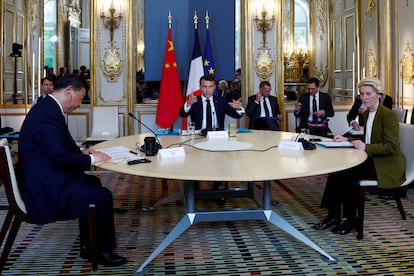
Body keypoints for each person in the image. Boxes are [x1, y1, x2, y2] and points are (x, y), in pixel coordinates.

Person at [17, 76, 127, 266]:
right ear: (69, 91)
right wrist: (92, 158)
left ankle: (89, 244)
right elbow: (59, 157)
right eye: (81, 98)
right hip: (44, 190)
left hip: (45, 177)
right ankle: (103, 251)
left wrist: (82, 152)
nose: (79, 104)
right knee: (103, 196)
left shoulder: (47, 109)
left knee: (92, 183)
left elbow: (56, 147)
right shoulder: (48, 114)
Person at [313, 77, 406, 235]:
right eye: (362, 94)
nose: (365, 98)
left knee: (350, 175)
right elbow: (366, 137)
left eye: (369, 94)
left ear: (379, 94)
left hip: (387, 164)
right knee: (337, 170)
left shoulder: (387, 115)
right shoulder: (366, 114)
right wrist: (347, 139)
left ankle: (351, 220)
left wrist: (366, 147)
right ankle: (333, 215)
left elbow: (391, 147)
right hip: (372, 158)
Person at [179, 74, 244, 132]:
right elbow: (182, 114)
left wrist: (238, 109)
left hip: (217, 135)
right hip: (198, 135)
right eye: (204, 87)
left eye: (210, 87)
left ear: (214, 87)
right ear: (200, 87)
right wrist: (189, 104)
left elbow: (236, 115)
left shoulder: (221, 101)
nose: (207, 90)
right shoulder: (194, 101)